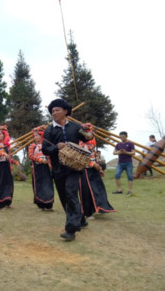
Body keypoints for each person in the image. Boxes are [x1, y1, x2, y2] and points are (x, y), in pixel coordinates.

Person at [42, 99, 93, 242]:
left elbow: (88, 138)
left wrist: (90, 134)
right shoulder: (49, 130)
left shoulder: (76, 127)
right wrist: (56, 147)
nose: (54, 113)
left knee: (71, 194)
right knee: (65, 198)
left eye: (57, 110)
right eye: (52, 111)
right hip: (58, 169)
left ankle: (70, 230)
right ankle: (80, 219)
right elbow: (45, 149)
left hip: (74, 168)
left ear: (65, 111)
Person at [78, 123, 115, 218]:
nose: (90, 135)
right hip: (84, 170)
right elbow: (80, 158)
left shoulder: (92, 145)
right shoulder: (80, 144)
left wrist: (99, 168)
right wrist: (93, 164)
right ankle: (87, 212)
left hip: (93, 169)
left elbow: (93, 157)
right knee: (86, 191)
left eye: (91, 134)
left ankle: (98, 208)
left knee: (97, 189)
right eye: (88, 133)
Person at [0, 125, 18, 210]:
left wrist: (15, 162)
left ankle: (7, 201)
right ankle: (1, 203)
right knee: (1, 184)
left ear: (4, 134)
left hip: (7, 166)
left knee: (9, 184)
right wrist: (2, 153)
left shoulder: (7, 145)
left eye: (0, 134)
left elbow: (9, 156)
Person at [28, 125, 54, 210]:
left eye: (37, 135)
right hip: (37, 168)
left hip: (46, 168)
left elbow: (50, 156)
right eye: (34, 136)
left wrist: (49, 163)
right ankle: (41, 204)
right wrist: (40, 160)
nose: (35, 137)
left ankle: (49, 204)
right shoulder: (33, 146)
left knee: (48, 185)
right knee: (38, 185)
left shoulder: (46, 146)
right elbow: (31, 156)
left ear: (42, 135)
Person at [113, 131, 135, 196]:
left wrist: (126, 152)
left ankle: (130, 191)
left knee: (130, 176)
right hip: (120, 163)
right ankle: (119, 190)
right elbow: (114, 152)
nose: (122, 138)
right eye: (121, 137)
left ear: (126, 137)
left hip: (128, 162)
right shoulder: (118, 144)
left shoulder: (131, 144)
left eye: (123, 137)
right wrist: (118, 152)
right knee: (117, 176)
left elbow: (133, 153)